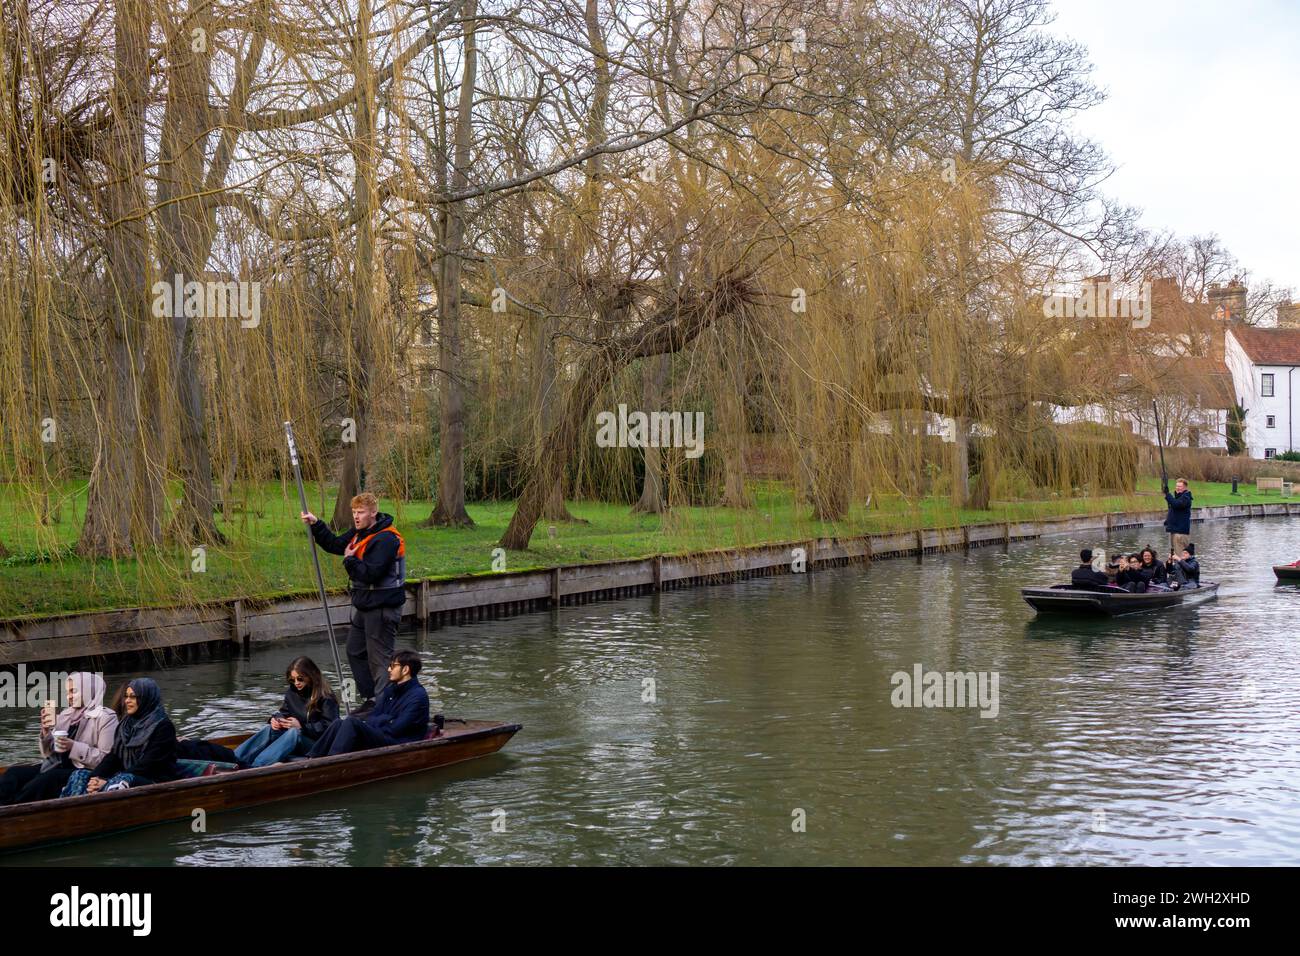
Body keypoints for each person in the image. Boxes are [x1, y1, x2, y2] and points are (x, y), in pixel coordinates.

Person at [301, 492, 406, 714]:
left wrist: (349, 560)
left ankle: (384, 705)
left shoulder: (386, 539)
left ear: (373, 513)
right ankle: (371, 698)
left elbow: (371, 574)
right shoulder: (360, 533)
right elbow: (335, 544)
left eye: (361, 513)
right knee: (355, 650)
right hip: (366, 605)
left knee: (379, 659)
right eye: (354, 513)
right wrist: (316, 524)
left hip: (383, 607)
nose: (356, 517)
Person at [0, 673, 117, 806]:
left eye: (73, 691)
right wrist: (46, 733)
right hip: (56, 765)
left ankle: (11, 812)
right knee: (14, 773)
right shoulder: (66, 715)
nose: (69, 697)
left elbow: (106, 759)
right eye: (67, 692)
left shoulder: (106, 717)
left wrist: (73, 746)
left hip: (83, 770)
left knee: (46, 780)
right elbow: (49, 755)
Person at [60, 678, 178, 796]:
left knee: (121, 781)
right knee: (80, 776)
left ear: (146, 698)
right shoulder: (125, 724)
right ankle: (70, 810)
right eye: (126, 696)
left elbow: (149, 764)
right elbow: (114, 756)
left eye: (133, 697)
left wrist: (107, 781)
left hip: (155, 781)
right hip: (126, 774)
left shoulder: (163, 726)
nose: (127, 701)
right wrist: (94, 778)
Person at [306, 651, 429, 759]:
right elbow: (374, 715)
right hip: (383, 733)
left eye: (392, 666)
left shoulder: (418, 696)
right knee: (339, 723)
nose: (389, 669)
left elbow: (395, 728)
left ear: (406, 669)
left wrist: (376, 723)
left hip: (399, 741)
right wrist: (385, 720)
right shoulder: (391, 689)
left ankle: (331, 762)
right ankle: (312, 757)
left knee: (352, 722)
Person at [235, 656, 340, 767]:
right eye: (292, 680)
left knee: (294, 733)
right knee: (269, 729)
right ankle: (234, 759)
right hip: (297, 737)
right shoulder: (292, 693)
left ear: (311, 676)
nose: (296, 683)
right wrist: (275, 720)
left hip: (317, 745)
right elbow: (283, 713)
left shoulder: (326, 697)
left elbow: (331, 727)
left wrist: (302, 727)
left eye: (300, 679)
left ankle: (257, 766)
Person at [1163, 477, 1193, 556]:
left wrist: (1168, 494)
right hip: (1175, 530)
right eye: (1177, 486)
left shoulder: (1186, 497)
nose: (1177, 488)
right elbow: (1174, 510)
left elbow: (1176, 504)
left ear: (1185, 487)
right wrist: (1168, 521)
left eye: (1180, 486)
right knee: (1174, 554)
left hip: (1180, 532)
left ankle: (1180, 567)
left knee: (1180, 555)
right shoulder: (1179, 497)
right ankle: (1175, 567)